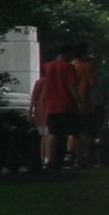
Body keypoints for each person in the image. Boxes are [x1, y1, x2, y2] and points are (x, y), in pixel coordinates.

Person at [30, 43, 79, 172]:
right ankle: (72, 156)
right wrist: (79, 99)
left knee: (53, 133)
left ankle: (50, 159)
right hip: (67, 104)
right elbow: (72, 85)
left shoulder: (48, 66)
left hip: (51, 105)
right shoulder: (69, 67)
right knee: (74, 132)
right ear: (67, 53)